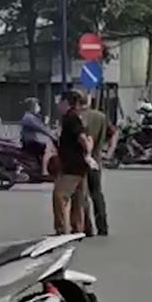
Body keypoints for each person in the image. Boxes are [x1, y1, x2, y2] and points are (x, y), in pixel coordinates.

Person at [75, 95, 118, 237]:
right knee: (97, 193)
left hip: (81, 160)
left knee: (82, 195)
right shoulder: (101, 117)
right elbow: (114, 133)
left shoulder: (77, 117)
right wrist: (109, 152)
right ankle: (102, 226)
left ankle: (87, 228)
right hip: (96, 159)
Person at [52, 91, 92, 235]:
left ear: (66, 103)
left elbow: (82, 137)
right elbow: (88, 137)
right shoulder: (77, 117)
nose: (58, 105)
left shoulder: (71, 117)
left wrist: (87, 152)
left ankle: (62, 228)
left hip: (73, 165)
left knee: (60, 195)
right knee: (78, 197)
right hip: (79, 165)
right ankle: (78, 227)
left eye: (60, 102)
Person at [20, 97, 56, 176]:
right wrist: (53, 137)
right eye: (37, 106)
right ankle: (44, 171)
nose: (39, 108)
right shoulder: (29, 117)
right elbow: (42, 128)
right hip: (31, 142)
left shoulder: (33, 117)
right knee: (49, 149)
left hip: (32, 140)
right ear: (32, 106)